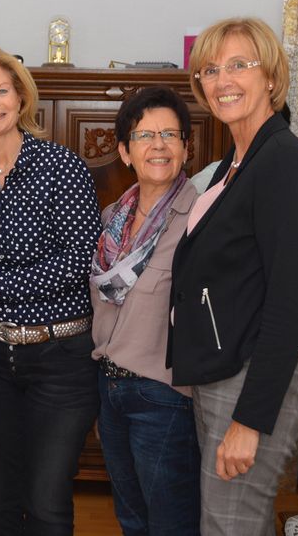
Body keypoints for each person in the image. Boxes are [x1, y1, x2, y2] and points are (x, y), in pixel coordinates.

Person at [0, 46, 102, 536]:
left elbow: (81, 260)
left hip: (63, 357)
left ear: (21, 96)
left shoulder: (61, 166)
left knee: (48, 501)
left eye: (1, 90)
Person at [168, 17, 298, 535]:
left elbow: (289, 303)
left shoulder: (281, 159)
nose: (222, 80)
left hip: (251, 383)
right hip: (221, 376)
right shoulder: (235, 162)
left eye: (239, 65)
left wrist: (251, 420)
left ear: (271, 78)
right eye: (210, 70)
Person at [90, 86, 200, 535]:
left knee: (171, 524)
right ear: (124, 151)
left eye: (170, 134)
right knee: (131, 518)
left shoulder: (202, 216)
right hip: (110, 388)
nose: (158, 145)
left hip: (165, 395)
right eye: (144, 135)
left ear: (186, 148)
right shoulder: (111, 217)